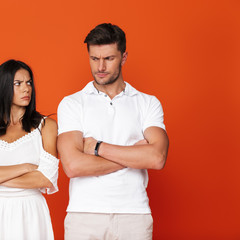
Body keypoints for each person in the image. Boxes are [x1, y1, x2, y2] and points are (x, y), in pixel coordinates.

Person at [57, 23, 169, 240]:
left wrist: (96, 147)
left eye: (109, 58)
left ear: (123, 57)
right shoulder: (72, 104)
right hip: (84, 215)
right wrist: (134, 156)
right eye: (94, 58)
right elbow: (73, 165)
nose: (100, 67)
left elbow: (156, 158)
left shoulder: (147, 103)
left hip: (134, 214)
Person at [0, 59, 59, 240]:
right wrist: (25, 167)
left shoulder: (46, 126)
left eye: (29, 82)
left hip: (29, 211)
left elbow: (46, 178)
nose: (26, 89)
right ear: (3, 88)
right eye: (18, 84)